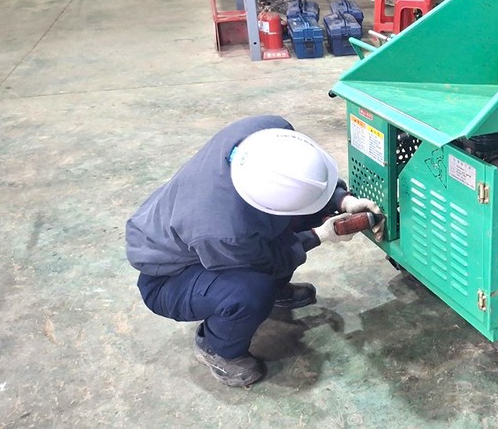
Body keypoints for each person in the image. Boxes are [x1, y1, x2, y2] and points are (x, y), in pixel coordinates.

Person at [125, 115, 383, 387]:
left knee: (290, 220)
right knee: (250, 290)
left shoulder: (268, 130)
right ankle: (216, 347)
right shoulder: (223, 230)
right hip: (169, 278)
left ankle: (274, 291)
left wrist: (343, 200)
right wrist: (320, 235)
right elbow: (267, 259)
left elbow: (299, 179)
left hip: (211, 237)